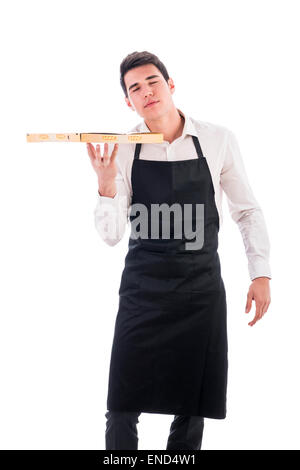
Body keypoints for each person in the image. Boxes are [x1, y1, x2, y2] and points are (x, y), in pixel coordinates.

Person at [87, 51, 272, 450]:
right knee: (121, 402)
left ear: (170, 85)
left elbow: (247, 210)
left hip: (199, 290)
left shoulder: (218, 139)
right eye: (135, 88)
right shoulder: (123, 149)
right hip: (143, 291)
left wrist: (260, 273)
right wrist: (105, 186)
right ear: (128, 101)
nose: (146, 91)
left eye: (152, 81)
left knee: (193, 404)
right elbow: (111, 234)